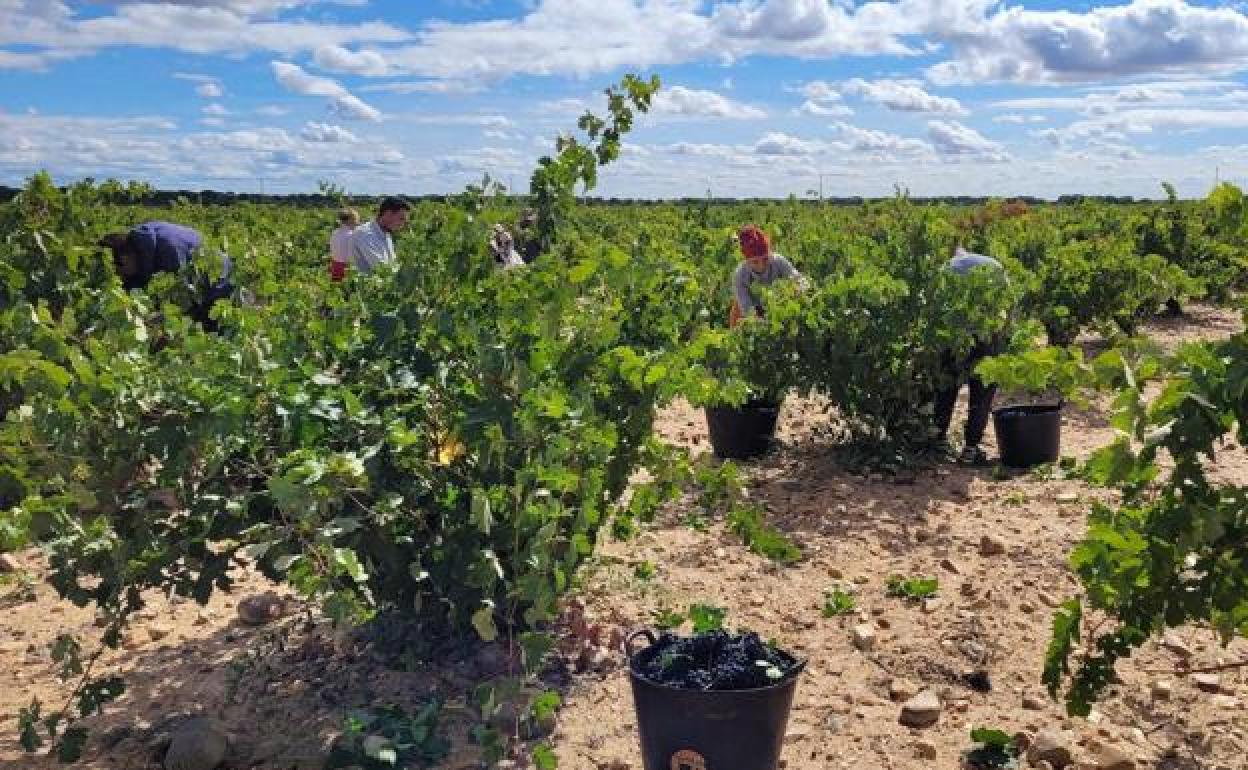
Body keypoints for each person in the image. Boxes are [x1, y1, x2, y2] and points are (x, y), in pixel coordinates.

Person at [932, 246, 1010, 465]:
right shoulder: (994, 264)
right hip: (986, 334)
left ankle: (939, 441)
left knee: (946, 389)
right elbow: (1008, 303)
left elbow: (935, 307)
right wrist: (1002, 335)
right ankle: (971, 448)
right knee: (982, 392)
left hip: (952, 336)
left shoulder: (946, 268)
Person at [99, 221, 233, 328]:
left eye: (119, 269)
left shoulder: (169, 252)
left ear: (126, 257)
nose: (119, 275)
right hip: (196, 284)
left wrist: (158, 319)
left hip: (221, 284)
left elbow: (185, 302)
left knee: (204, 327)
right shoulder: (139, 244)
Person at [728, 224, 804, 327]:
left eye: (765, 259)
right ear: (746, 260)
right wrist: (761, 323)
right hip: (755, 307)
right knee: (737, 306)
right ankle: (734, 335)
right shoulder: (740, 274)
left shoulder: (778, 261)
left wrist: (800, 288)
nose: (761, 265)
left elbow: (798, 278)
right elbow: (747, 309)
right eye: (755, 262)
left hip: (779, 303)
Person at [349, 197, 410, 274]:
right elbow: (381, 269)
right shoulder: (365, 234)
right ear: (388, 214)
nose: (403, 224)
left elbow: (392, 263)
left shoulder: (386, 234)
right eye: (401, 219)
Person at [328, 207, 359, 282]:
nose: (357, 223)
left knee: (335, 286)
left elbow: (332, 249)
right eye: (356, 220)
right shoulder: (352, 235)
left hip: (335, 265)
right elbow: (352, 256)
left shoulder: (335, 232)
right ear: (350, 220)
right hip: (347, 268)